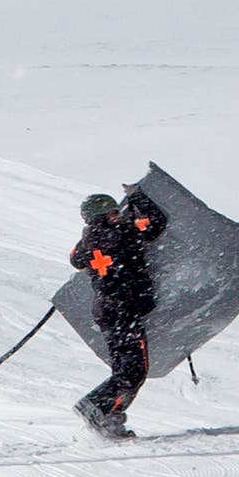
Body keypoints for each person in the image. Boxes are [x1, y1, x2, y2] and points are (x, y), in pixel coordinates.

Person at [69, 186, 168, 436]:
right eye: (113, 212)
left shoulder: (87, 241)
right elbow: (156, 223)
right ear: (103, 216)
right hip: (124, 308)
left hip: (107, 309)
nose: (117, 215)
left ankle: (108, 419)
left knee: (125, 370)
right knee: (133, 371)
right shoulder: (122, 232)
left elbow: (75, 258)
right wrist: (137, 197)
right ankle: (96, 407)